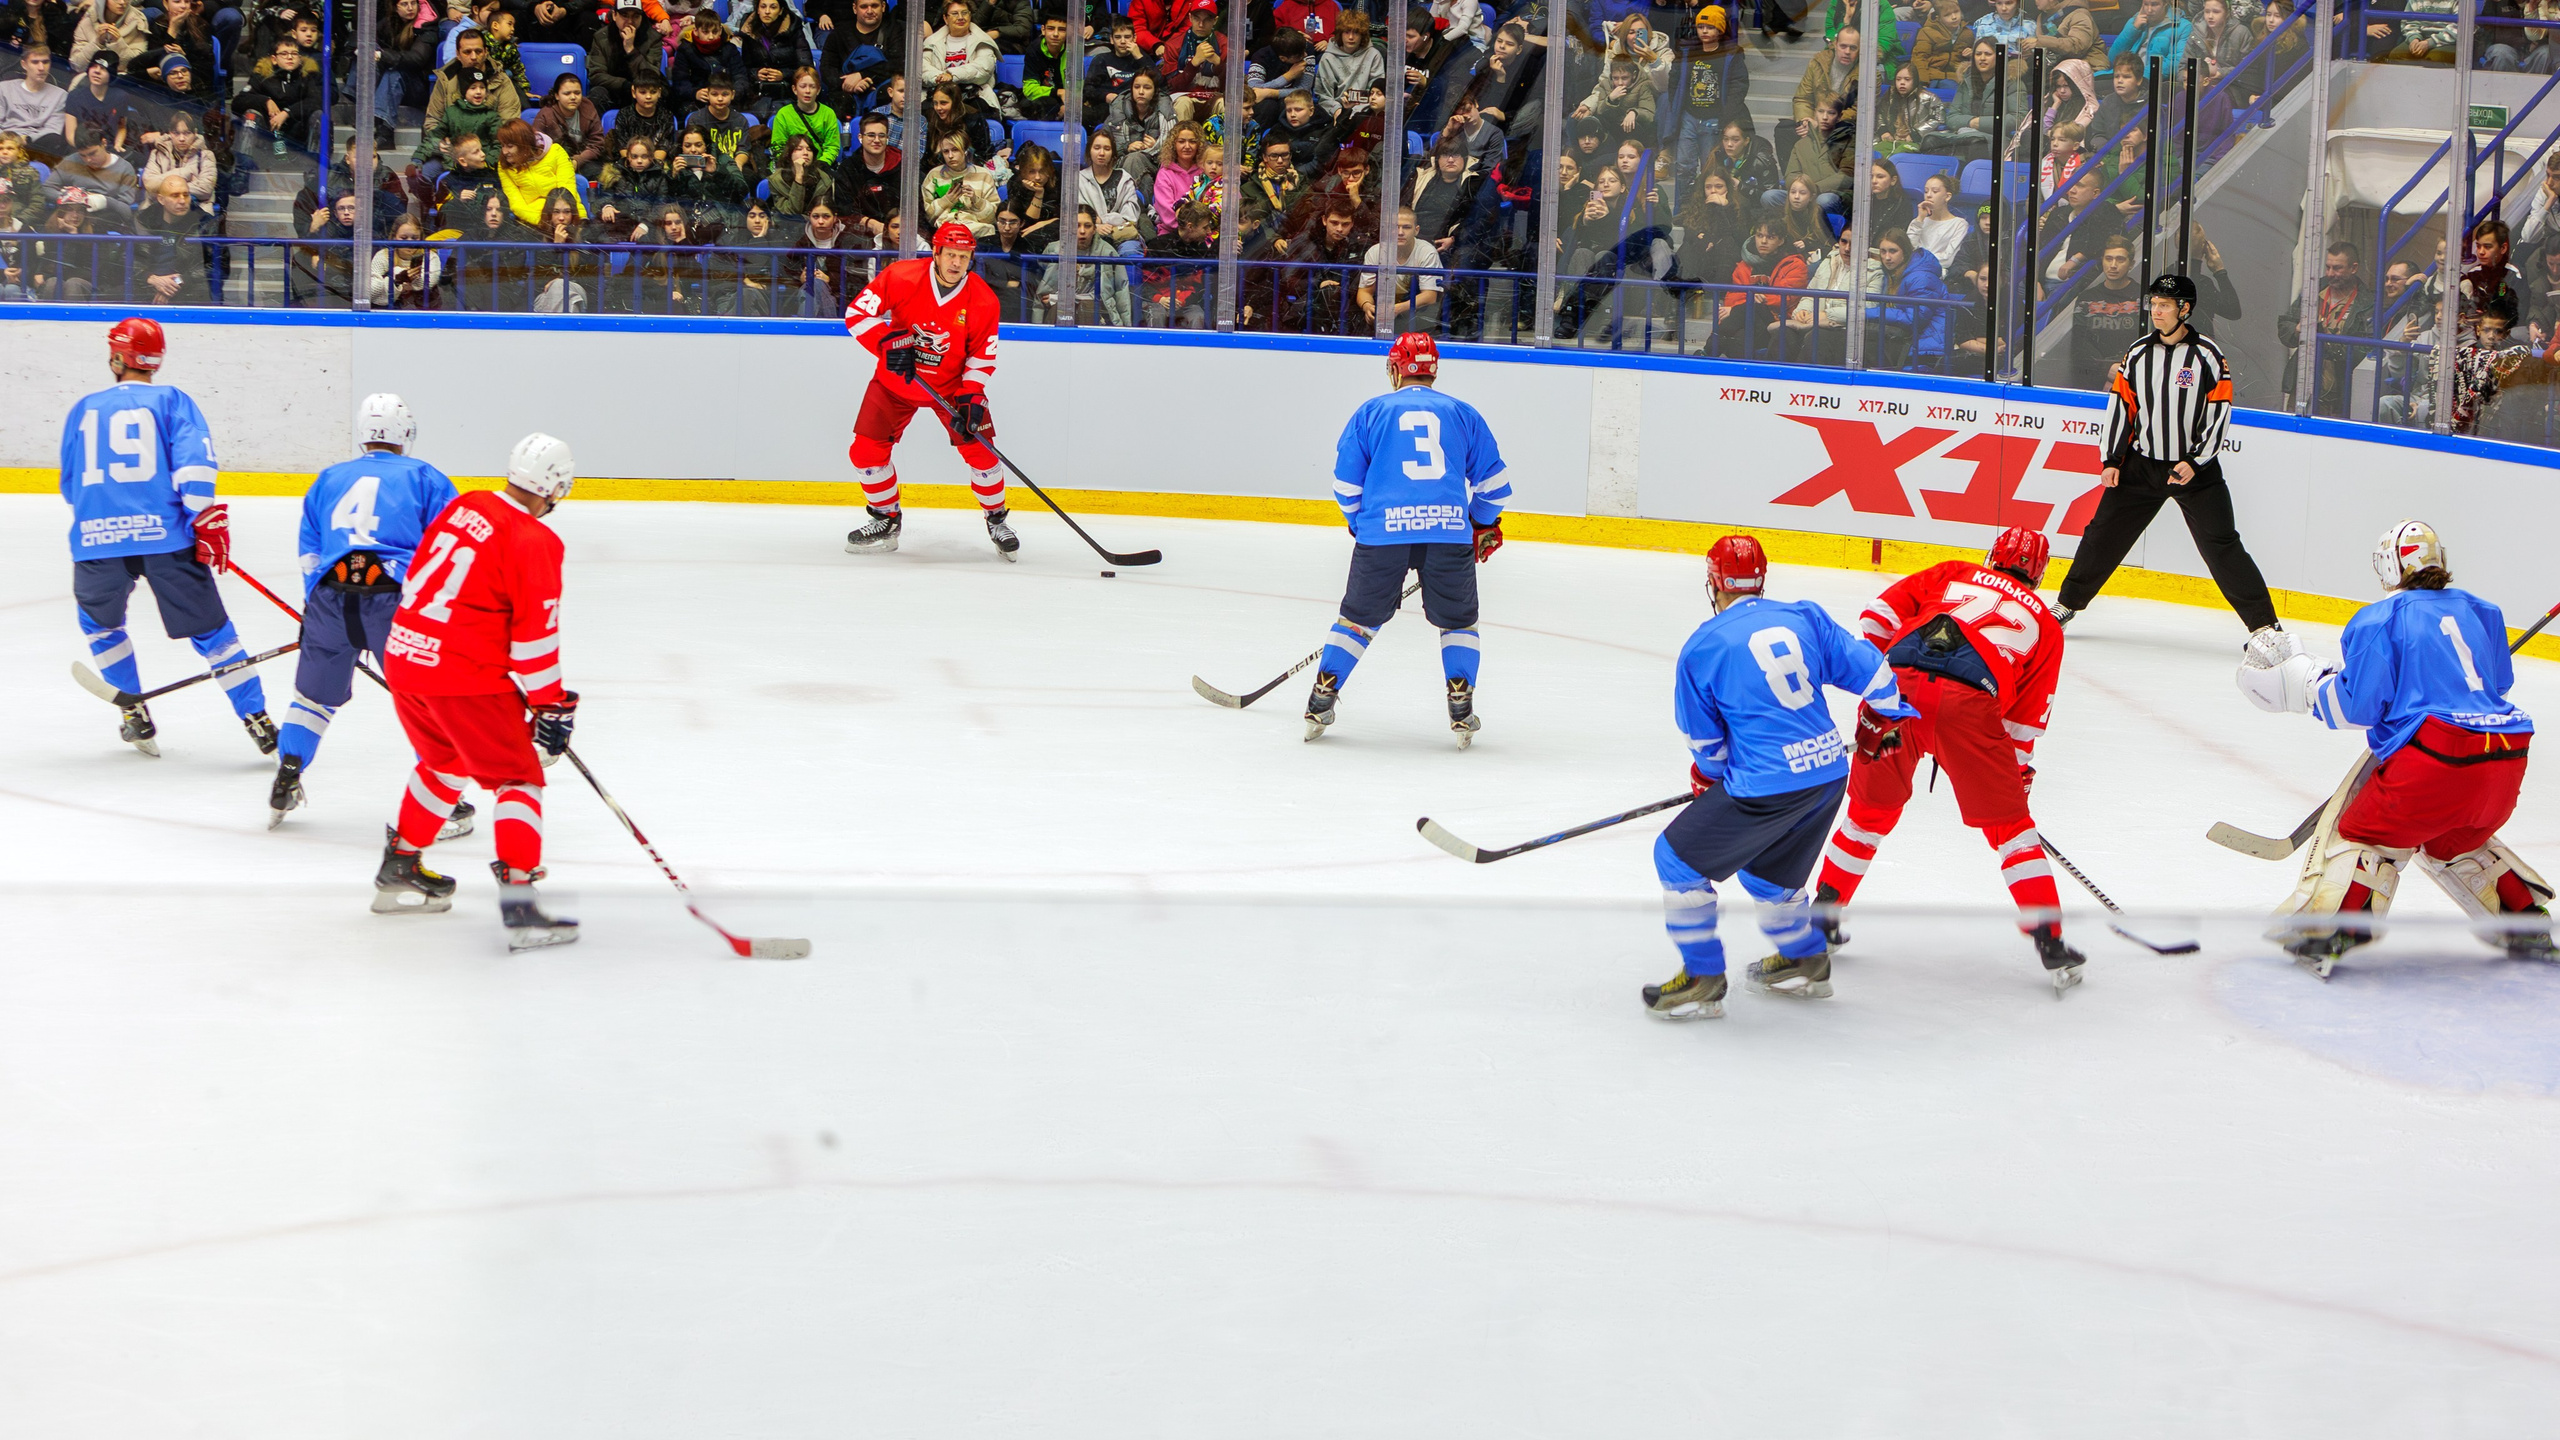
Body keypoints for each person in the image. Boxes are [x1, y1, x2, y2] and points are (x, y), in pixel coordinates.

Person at [2238, 520, 2551, 974]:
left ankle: (2333, 931)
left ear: (2388, 566)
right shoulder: (2483, 611)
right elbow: (2496, 685)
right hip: (2505, 755)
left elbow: (2355, 708)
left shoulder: (2379, 618)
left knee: (2361, 835)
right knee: (2453, 838)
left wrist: (2308, 688)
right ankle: (2527, 923)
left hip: (2435, 756)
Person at [1638, 535, 1914, 1019]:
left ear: (1714, 584)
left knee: (1676, 860)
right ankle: (1805, 956)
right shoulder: (1804, 616)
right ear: (1761, 580)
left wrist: (1709, 779)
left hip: (1768, 786)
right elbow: (1876, 674)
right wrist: (1883, 718)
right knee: (1768, 874)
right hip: (1827, 774)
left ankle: (1702, 976)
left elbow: (1706, 744)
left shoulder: (1703, 646)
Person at [1806, 527, 2084, 990]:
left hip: (1897, 696)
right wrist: (2015, 775)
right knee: (2011, 830)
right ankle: (2049, 938)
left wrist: (1881, 681)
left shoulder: (1953, 571)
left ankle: (1822, 919)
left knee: (1868, 815)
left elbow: (1877, 616)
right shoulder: (2047, 625)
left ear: (1991, 556)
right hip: (1969, 709)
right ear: (2039, 575)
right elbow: (2024, 721)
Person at [374, 432, 581, 951]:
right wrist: (551, 706)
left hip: (405, 656)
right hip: (459, 674)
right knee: (518, 778)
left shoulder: (466, 505)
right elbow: (533, 643)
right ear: (556, 487)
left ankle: (401, 867)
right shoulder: (536, 540)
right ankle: (521, 906)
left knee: (444, 762)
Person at [59, 317, 276, 759]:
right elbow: (196, 469)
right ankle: (257, 718)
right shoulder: (172, 400)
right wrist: (201, 516)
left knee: (100, 625)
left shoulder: (84, 409)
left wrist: (104, 519)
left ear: (117, 357)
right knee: (214, 633)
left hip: (96, 541)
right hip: (167, 538)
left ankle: (133, 712)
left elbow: (69, 484)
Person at [2054, 273, 2283, 648]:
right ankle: (2066, 605)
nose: (2156, 311)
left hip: (2194, 471)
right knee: (2102, 536)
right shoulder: (2137, 354)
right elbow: (2121, 407)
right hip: (2140, 466)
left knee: (2222, 545)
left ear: (2185, 309)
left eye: (2164, 305)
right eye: (2154, 304)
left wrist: (2196, 461)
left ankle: (2264, 625)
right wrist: (2111, 459)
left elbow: (2219, 412)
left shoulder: (2207, 355)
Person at [269, 394, 466, 828]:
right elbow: (449, 551)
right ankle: (444, 802)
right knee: (425, 703)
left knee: (312, 699)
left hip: (330, 597)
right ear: (404, 433)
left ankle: (289, 770)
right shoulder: (425, 477)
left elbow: (309, 552)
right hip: (393, 601)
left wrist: (314, 608)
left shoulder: (328, 478)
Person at [1305, 333, 1509, 746]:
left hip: (1382, 535)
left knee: (1358, 620)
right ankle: (1460, 704)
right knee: (1458, 622)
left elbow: (1346, 487)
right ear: (1434, 371)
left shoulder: (1372, 411)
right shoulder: (1462, 413)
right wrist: (1477, 523)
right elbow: (1495, 488)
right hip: (1448, 535)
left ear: (1395, 370)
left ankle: (1322, 696)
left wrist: (1360, 524)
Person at [840, 220, 1010, 557]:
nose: (956, 263)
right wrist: (888, 343)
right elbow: (857, 314)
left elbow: (982, 354)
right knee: (865, 451)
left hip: (951, 388)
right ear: (936, 252)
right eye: (950, 254)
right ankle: (886, 518)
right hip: (895, 382)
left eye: (963, 256)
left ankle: (997, 520)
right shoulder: (901, 276)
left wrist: (972, 394)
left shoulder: (984, 300)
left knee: (983, 452)